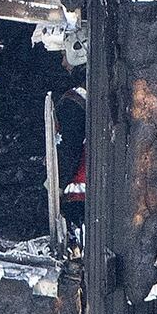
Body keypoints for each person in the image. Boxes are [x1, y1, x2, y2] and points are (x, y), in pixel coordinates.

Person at [56, 27, 88, 240]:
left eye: (63, 56)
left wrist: (58, 183)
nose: (62, 63)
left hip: (78, 195)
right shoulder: (99, 92)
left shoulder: (72, 102)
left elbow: (69, 148)